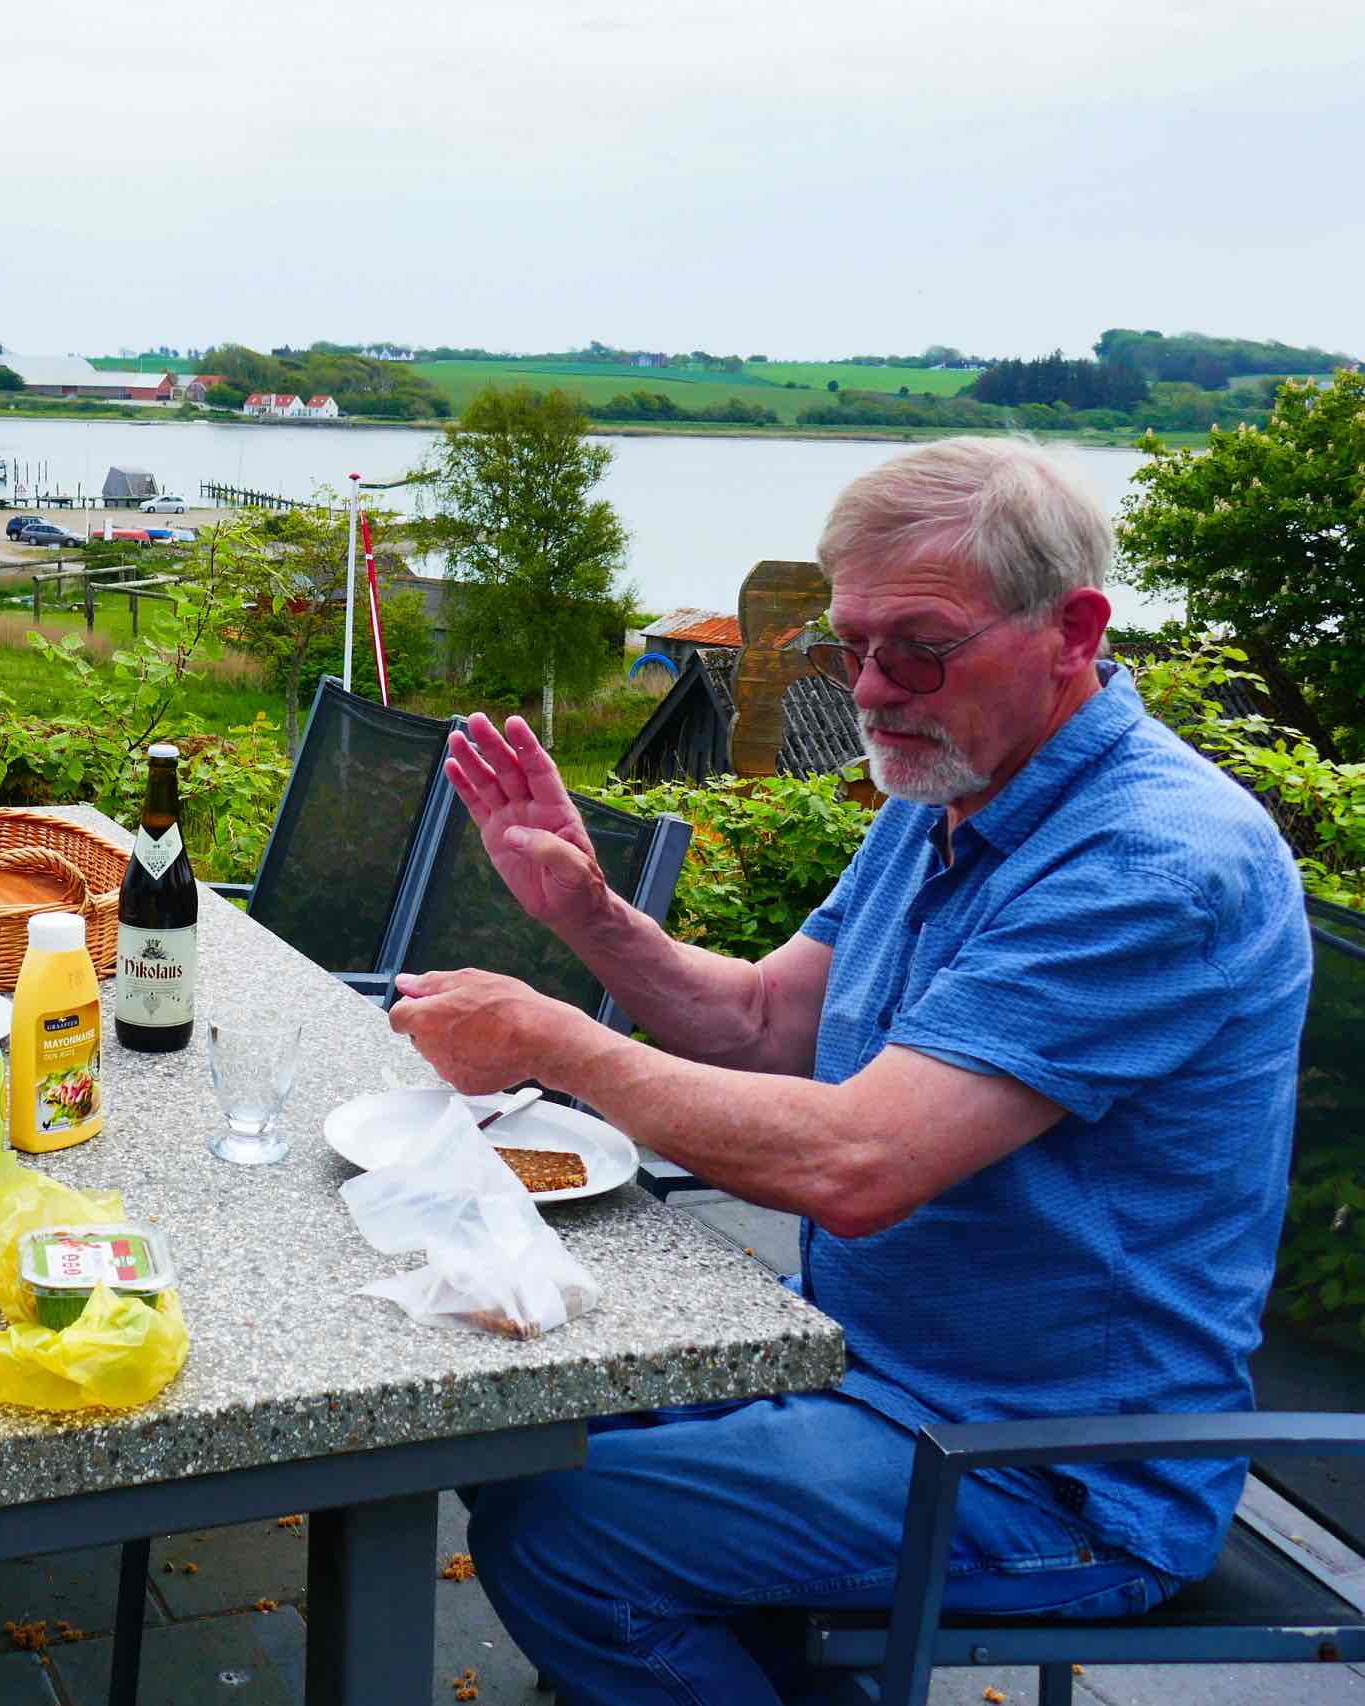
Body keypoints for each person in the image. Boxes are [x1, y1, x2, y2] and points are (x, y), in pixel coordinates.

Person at [389, 436, 1310, 1704]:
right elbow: (771, 1019)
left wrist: (558, 1040)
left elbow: (858, 1165)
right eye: (851, 646)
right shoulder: (949, 789)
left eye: (917, 646)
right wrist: (590, 915)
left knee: (564, 1526)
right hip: (864, 1365)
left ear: (1074, 628)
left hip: (1050, 1465)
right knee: (491, 1413)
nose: (873, 692)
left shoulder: (1154, 863)